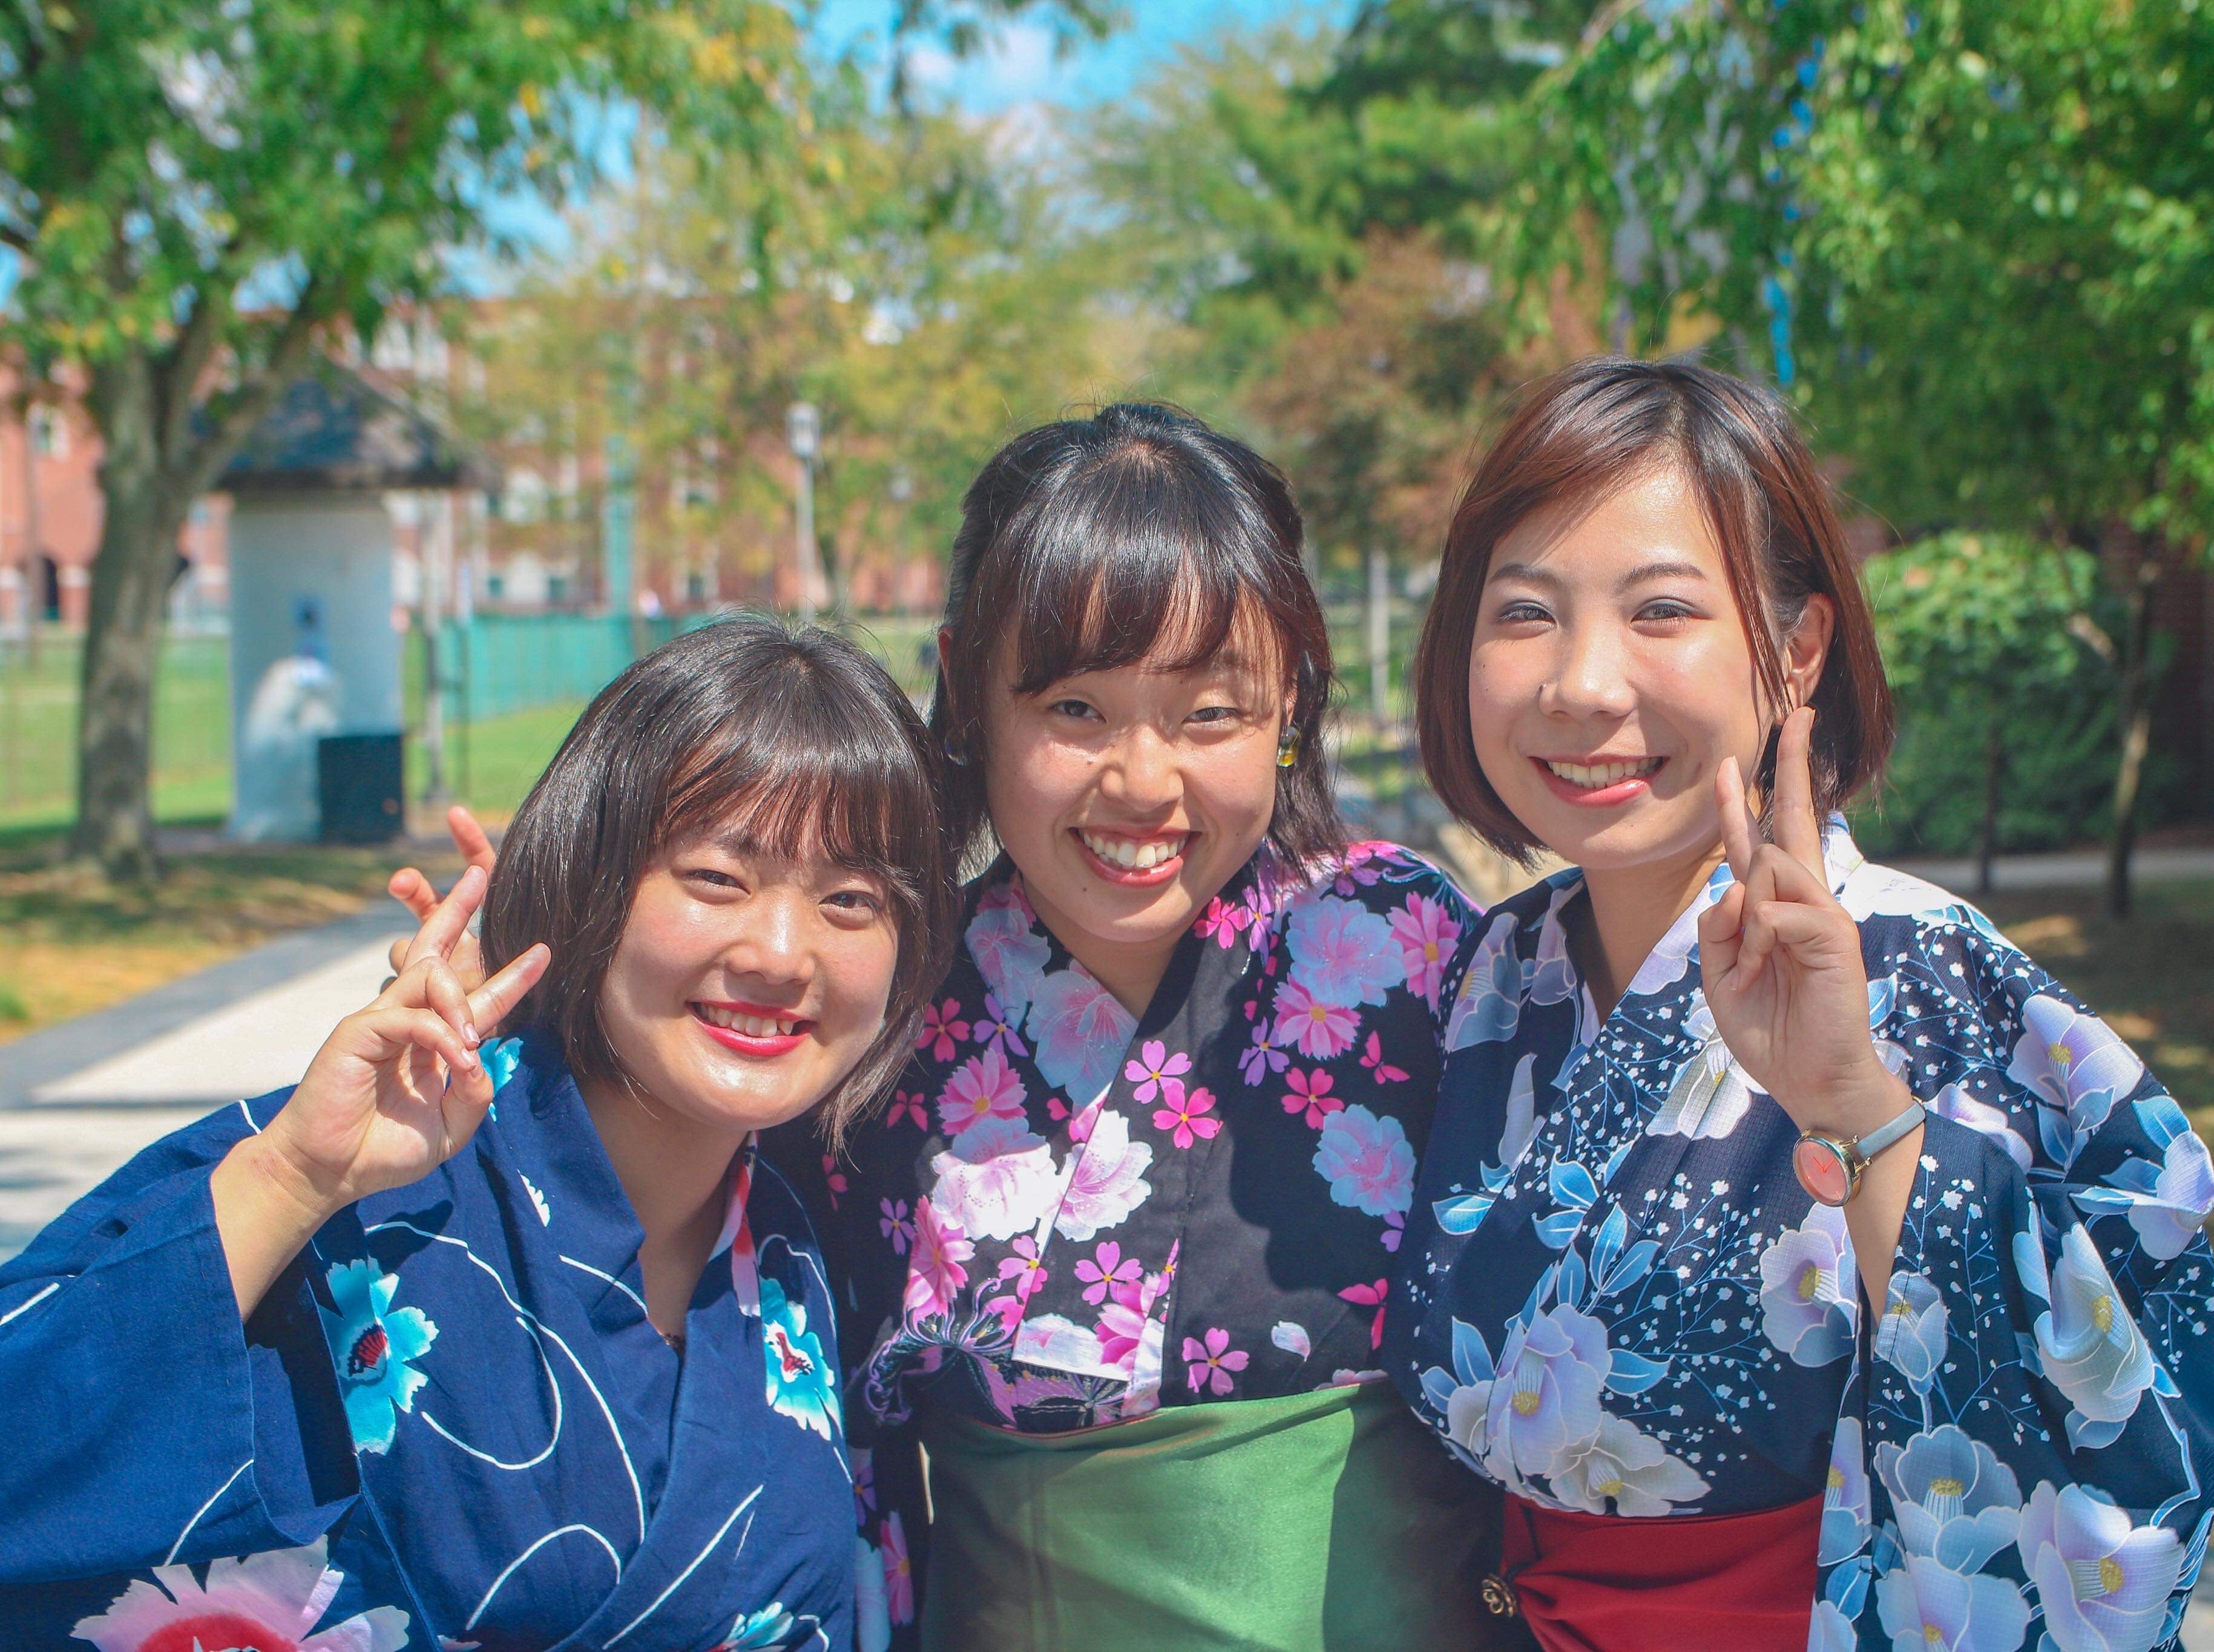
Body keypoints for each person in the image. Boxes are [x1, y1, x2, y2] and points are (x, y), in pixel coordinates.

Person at [1385, 358, 2214, 1651]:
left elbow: (2122, 1417)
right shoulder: (1495, 978)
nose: (1580, 685)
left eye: (1659, 611)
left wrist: (1854, 1104)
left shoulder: (1929, 973)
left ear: (1793, 653)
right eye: (1522, 614)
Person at [0, 617, 952, 1652]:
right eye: (717, 877)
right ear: (593, 879)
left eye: (851, 899)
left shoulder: (806, 1247)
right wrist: (289, 1179)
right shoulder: (360, 1158)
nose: (782, 951)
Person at [801, 403, 1511, 1649]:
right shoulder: (881, 1004)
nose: (1142, 782)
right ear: (966, 692)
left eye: (1208, 714)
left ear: (1289, 700)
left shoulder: (1410, 953)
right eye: (1074, 710)